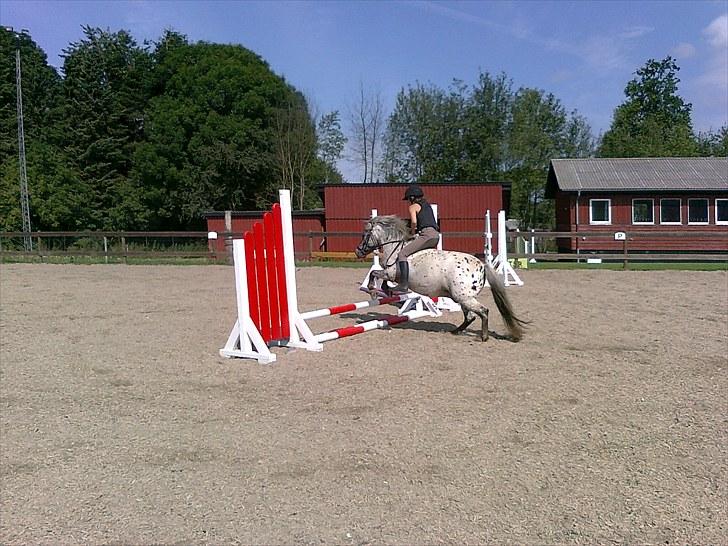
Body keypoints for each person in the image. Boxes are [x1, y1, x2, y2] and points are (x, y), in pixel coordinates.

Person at [390, 184, 440, 293]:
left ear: (412, 197)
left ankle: (403, 284)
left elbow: (413, 222)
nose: (408, 201)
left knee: (402, 254)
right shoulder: (427, 205)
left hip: (426, 235)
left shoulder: (413, 207)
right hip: (436, 235)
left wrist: (412, 233)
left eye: (409, 199)